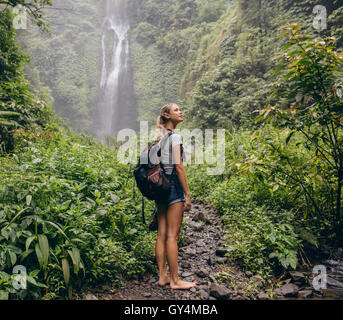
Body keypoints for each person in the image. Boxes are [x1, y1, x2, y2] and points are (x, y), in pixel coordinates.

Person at [153, 103, 196, 290]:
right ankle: (176, 281)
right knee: (173, 236)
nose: (181, 111)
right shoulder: (175, 137)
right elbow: (178, 167)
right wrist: (187, 193)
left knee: (161, 234)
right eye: (177, 109)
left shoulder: (158, 137)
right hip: (173, 188)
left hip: (160, 188)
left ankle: (163, 276)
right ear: (167, 115)